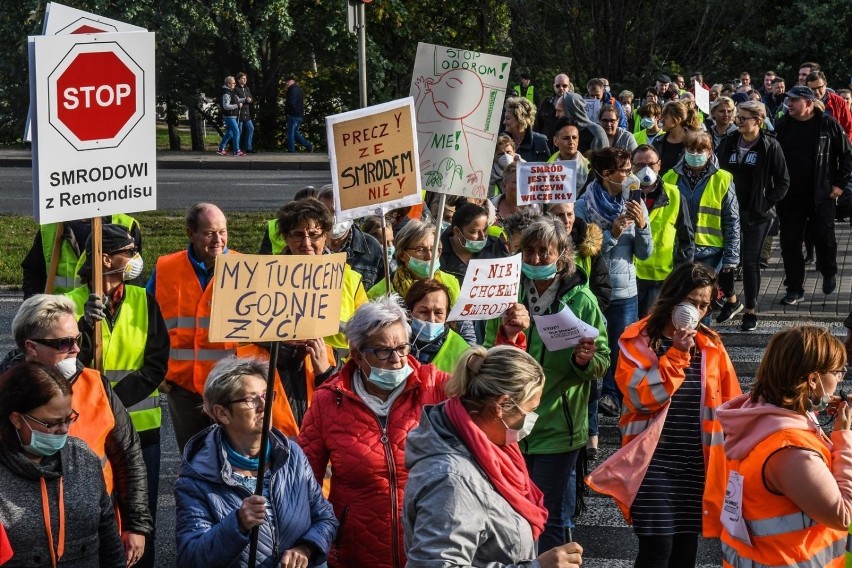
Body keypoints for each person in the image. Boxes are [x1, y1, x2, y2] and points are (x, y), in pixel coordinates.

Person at [587, 262, 741, 568]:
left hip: (696, 464)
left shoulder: (710, 344)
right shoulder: (637, 340)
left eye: (704, 305)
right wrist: (677, 355)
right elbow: (641, 398)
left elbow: (731, 403)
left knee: (684, 551)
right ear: (673, 298)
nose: (696, 312)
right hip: (651, 465)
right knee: (657, 549)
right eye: (692, 302)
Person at [484, 216, 610, 552]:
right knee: (511, 511)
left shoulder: (582, 300)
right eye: (529, 251)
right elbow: (485, 354)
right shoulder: (506, 296)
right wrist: (508, 333)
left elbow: (602, 360)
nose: (536, 259)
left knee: (549, 516)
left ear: (563, 255)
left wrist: (582, 360)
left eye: (545, 252)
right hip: (509, 425)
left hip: (557, 427)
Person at [296, 295, 450, 568]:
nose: (396, 359)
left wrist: (509, 339)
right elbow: (304, 482)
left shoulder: (432, 386)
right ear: (356, 355)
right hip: (354, 552)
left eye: (402, 348)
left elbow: (485, 393)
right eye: (382, 351)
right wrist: (307, 542)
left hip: (426, 547)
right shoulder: (327, 400)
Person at [404, 345, 585, 568]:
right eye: (530, 410)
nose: (531, 419)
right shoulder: (451, 481)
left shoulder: (481, 445)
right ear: (500, 405)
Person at [5, 294, 153, 563]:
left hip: (94, 525)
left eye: (77, 339)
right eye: (64, 342)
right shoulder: (6, 392)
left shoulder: (97, 385)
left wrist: (135, 524)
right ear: (31, 347)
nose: (75, 349)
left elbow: (128, 457)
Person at [66, 224, 168, 568]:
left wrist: (112, 405)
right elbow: (62, 365)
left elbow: (156, 363)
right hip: (87, 431)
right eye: (129, 252)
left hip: (141, 429)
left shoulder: (143, 300)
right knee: (95, 511)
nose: (136, 259)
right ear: (106, 258)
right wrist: (81, 325)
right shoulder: (69, 306)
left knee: (140, 514)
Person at [174, 358, 338, 567]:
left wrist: (306, 549)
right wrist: (238, 523)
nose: (264, 405)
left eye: (267, 395)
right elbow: (191, 558)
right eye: (251, 399)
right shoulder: (197, 476)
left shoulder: (292, 454)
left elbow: (326, 518)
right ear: (222, 413)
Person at [716, 326, 851, 567]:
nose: (841, 379)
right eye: (838, 371)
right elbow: (843, 514)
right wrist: (844, 438)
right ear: (813, 379)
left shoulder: (761, 415)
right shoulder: (790, 451)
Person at [0, 362, 125, 567]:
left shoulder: (83, 457)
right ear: (16, 419)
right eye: (52, 423)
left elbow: (108, 534)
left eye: (69, 419)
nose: (64, 430)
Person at [147, 203, 239, 451]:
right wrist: (156, 369)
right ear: (191, 234)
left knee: (234, 458)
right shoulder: (166, 268)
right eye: (209, 233)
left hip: (231, 385)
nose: (218, 240)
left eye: (223, 231)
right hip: (183, 388)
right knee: (193, 457)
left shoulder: (244, 268)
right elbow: (147, 322)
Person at [575, 147, 652, 418]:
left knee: (622, 352)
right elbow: (583, 250)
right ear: (607, 174)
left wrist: (642, 227)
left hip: (624, 292)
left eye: (631, 170)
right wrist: (612, 233)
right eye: (625, 171)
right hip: (592, 291)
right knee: (592, 350)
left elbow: (645, 253)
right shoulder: (584, 206)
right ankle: (592, 413)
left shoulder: (635, 202)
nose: (631, 176)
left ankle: (612, 397)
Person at [774, 86, 852, 305]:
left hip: (821, 195)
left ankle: (828, 272)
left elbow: (847, 156)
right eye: (788, 100)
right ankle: (794, 288)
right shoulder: (782, 126)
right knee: (790, 244)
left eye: (794, 100)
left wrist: (839, 185)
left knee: (825, 240)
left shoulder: (827, 125)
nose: (788, 104)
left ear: (808, 103)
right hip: (790, 197)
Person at [717, 101, 790, 330]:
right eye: (737, 117)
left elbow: (783, 181)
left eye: (742, 117)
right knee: (727, 261)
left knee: (749, 262)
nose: (736, 120)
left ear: (757, 121)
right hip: (730, 211)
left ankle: (750, 309)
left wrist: (764, 205)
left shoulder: (769, 146)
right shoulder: (729, 142)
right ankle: (731, 300)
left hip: (756, 215)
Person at [662, 131, 742, 323]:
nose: (695, 154)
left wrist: (731, 259)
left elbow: (732, 220)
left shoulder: (723, 178)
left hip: (710, 253)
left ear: (710, 151)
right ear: (685, 150)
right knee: (679, 300)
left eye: (701, 150)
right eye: (691, 149)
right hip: (678, 250)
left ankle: (700, 343)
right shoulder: (670, 177)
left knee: (702, 303)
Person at [273, 198, 368, 353]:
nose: (307, 243)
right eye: (298, 235)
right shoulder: (268, 277)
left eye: (313, 234)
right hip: (281, 369)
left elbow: (366, 334)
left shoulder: (350, 279)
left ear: (325, 236)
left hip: (337, 371)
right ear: (286, 237)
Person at [631, 144, 694, 317]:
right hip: (630, 277)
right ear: (631, 166)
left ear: (659, 165)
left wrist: (679, 276)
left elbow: (686, 239)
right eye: (640, 165)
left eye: (651, 165)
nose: (646, 170)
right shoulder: (622, 194)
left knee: (653, 328)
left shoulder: (674, 195)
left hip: (661, 279)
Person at [21, 214, 142, 297]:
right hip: (61, 320)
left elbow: (133, 278)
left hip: (108, 316)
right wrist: (36, 309)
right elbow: (34, 273)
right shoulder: (51, 227)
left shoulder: (126, 225)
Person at [403, 279, 470, 373]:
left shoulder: (462, 351)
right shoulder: (395, 343)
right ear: (409, 313)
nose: (431, 319)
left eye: (438, 313)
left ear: (447, 315)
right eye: (424, 312)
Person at [652, 101, 703, 175]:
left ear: (678, 120)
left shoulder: (694, 143)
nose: (661, 120)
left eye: (666, 117)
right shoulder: (658, 142)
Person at [548, 117, 591, 194]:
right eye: (566, 138)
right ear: (555, 141)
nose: (571, 142)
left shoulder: (589, 168)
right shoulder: (548, 165)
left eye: (574, 138)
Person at [806, 71, 852, 141]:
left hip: (835, 147)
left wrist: (845, 146)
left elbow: (849, 128)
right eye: (812, 89)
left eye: (820, 87)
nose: (817, 92)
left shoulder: (839, 102)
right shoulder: (802, 102)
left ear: (826, 85)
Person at [503, 97, 550, 162]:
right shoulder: (501, 141)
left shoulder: (540, 142)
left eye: (508, 118)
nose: (504, 122)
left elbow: (546, 169)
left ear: (520, 120)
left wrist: (523, 164)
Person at [535, 73, 573, 142]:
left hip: (565, 145)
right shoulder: (546, 103)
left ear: (569, 87)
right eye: (558, 86)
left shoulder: (573, 105)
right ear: (554, 87)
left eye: (564, 86)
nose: (561, 88)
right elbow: (537, 125)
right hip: (546, 145)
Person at [217, 76, 244, 156]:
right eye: (233, 83)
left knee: (230, 133)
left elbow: (236, 99)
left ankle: (221, 149)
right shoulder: (226, 93)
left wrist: (245, 99)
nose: (235, 84)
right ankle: (237, 150)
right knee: (237, 131)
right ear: (228, 84)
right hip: (229, 116)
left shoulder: (230, 91)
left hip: (232, 116)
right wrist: (237, 106)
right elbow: (226, 106)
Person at [285, 77, 313, 153]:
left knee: (290, 133)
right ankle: (308, 145)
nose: (286, 84)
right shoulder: (298, 89)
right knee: (295, 133)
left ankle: (291, 149)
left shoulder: (292, 90)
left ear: (291, 81)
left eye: (287, 82)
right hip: (299, 114)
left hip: (293, 114)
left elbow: (291, 103)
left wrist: (288, 112)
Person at [234, 72, 256, 153]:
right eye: (243, 78)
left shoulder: (247, 88)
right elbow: (235, 99)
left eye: (245, 78)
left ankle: (248, 147)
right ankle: (238, 148)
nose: (245, 80)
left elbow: (250, 97)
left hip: (247, 113)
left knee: (251, 129)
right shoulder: (236, 88)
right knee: (239, 131)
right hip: (239, 112)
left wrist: (250, 99)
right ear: (238, 79)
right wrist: (243, 100)